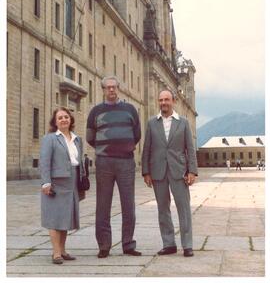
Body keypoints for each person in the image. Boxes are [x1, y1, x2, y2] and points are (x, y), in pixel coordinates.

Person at [86, 76, 141, 258]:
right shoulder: (95, 112)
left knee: (128, 204)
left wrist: (123, 146)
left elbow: (137, 135)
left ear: (118, 88)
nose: (111, 90)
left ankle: (128, 244)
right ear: (103, 90)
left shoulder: (130, 110)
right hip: (104, 163)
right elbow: (90, 137)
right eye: (108, 87)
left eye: (114, 87)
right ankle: (104, 245)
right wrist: (106, 148)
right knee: (103, 204)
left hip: (126, 162)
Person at [142, 90, 198, 257]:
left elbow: (190, 148)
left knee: (184, 208)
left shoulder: (183, 123)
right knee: (163, 209)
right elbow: (147, 149)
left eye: (166, 99)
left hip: (179, 171)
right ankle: (169, 244)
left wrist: (192, 171)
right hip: (158, 172)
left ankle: (187, 245)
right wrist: (146, 171)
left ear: (173, 101)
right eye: (160, 100)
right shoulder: (152, 123)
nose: (163, 103)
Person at [40, 107, 85, 264]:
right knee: (54, 217)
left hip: (72, 181)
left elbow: (80, 162)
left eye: (66, 117)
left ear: (71, 120)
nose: (64, 120)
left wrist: (82, 182)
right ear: (55, 122)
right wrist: (46, 182)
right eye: (60, 118)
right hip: (56, 182)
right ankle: (56, 253)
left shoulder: (77, 139)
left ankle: (63, 250)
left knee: (66, 217)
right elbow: (44, 162)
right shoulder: (50, 138)